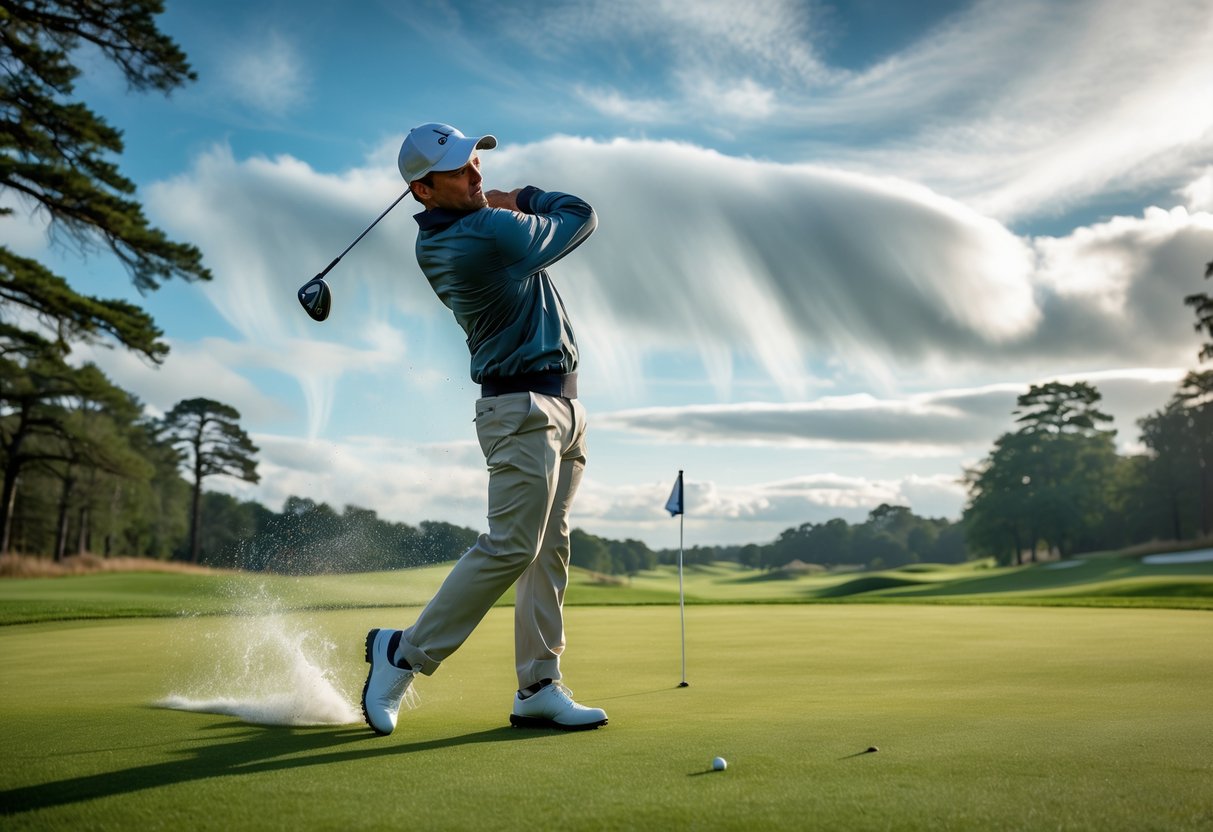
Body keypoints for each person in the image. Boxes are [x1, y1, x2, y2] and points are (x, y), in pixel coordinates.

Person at [361, 122, 607, 735]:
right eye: (459, 170)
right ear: (423, 191)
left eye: (476, 162)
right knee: (513, 546)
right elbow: (580, 216)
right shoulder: (482, 233)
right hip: (521, 409)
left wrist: (502, 203)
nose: (476, 175)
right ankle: (402, 653)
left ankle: (538, 687)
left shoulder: (471, 227)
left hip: (561, 406)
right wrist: (522, 196)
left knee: (548, 551)